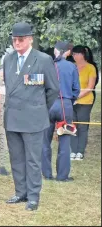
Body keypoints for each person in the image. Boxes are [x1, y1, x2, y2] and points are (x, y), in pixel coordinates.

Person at [3, 22, 59, 211]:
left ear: (30, 40)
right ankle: (21, 192)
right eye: (14, 39)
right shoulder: (8, 59)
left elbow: (52, 89)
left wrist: (39, 107)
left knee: (33, 159)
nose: (17, 42)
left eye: (20, 39)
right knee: (16, 158)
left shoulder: (43, 59)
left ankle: (33, 196)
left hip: (33, 118)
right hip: (12, 117)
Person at [41, 41, 80, 182]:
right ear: (67, 52)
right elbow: (76, 89)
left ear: (56, 51)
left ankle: (46, 173)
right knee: (64, 141)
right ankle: (62, 175)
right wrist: (70, 100)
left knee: (45, 141)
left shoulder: (47, 64)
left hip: (48, 104)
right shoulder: (71, 67)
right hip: (65, 103)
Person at [70, 45, 97, 161]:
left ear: (82, 54)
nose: (74, 56)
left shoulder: (91, 68)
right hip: (71, 101)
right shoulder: (72, 67)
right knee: (72, 126)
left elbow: (90, 87)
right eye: (73, 54)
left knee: (82, 126)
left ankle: (80, 151)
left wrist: (77, 97)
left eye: (76, 54)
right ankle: (73, 151)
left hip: (85, 102)